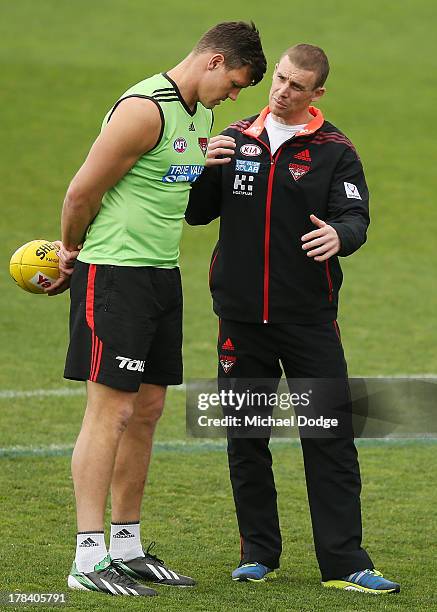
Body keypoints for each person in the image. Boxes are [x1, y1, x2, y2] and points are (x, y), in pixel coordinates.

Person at [47, 22, 266, 597]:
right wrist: (69, 252)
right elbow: (80, 193)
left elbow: (174, 186)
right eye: (236, 84)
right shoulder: (145, 109)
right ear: (214, 60)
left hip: (162, 276)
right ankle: (87, 557)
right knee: (110, 413)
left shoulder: (201, 118)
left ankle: (127, 546)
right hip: (113, 274)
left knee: (147, 411)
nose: (234, 97)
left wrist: (207, 163)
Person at [185, 44, 400, 595]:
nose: (282, 91)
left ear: (317, 94)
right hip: (239, 319)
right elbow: (197, 212)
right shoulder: (235, 138)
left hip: (308, 321)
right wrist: (205, 170)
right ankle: (257, 554)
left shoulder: (335, 150)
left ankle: (345, 562)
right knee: (246, 437)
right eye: (278, 80)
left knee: (329, 436)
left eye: (296, 86)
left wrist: (339, 236)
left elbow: (356, 216)